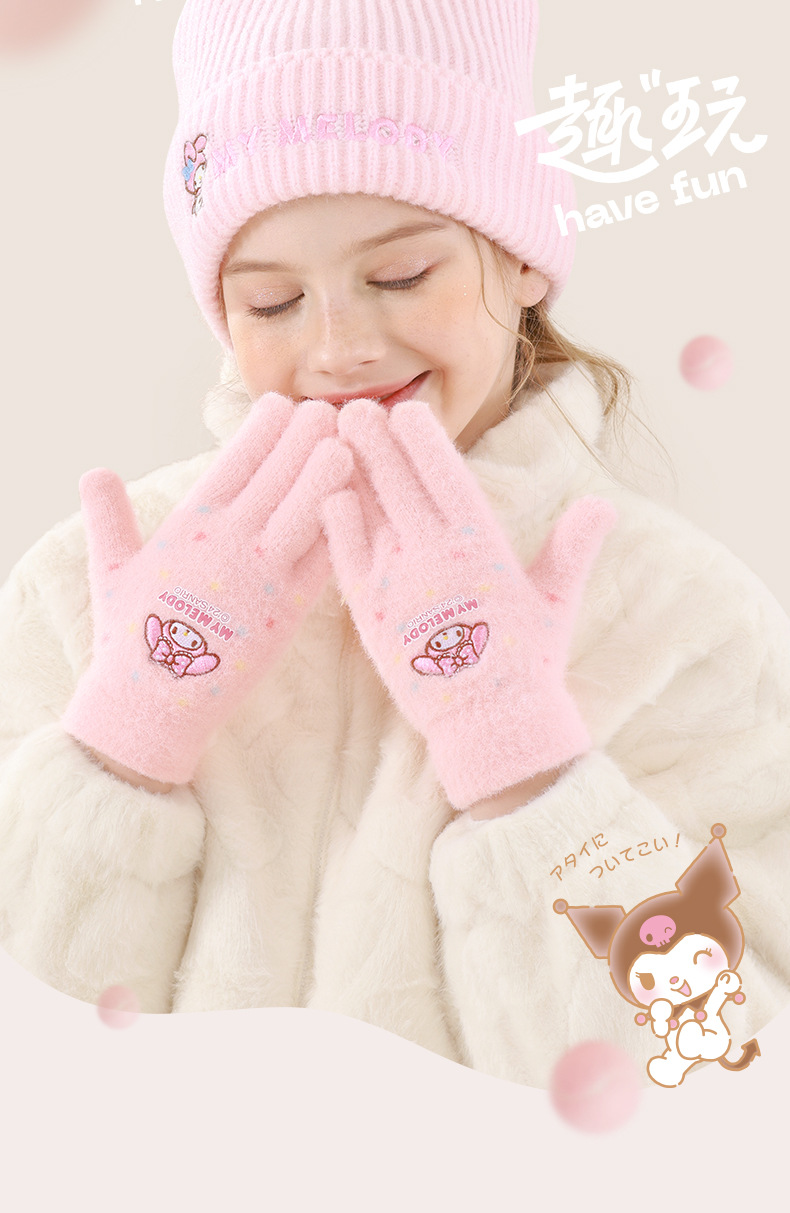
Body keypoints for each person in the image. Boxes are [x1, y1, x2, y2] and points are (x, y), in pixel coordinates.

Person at [1, 0, 789, 1094]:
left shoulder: (677, 614)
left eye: (401, 275)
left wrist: (528, 772)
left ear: (521, 255)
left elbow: (720, 1084)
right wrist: (120, 746)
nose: (339, 348)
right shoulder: (85, 590)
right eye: (271, 300)